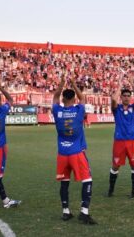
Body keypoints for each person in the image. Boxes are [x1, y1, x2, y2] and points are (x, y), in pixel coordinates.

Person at [52, 74, 96, 224]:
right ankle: (84, 211)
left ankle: (65, 211)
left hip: (62, 154)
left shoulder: (57, 111)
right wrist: (73, 83)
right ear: (74, 100)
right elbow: (82, 98)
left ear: (63, 99)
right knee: (87, 180)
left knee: (64, 182)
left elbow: (55, 97)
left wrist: (62, 84)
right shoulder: (78, 111)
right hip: (76, 152)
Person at [107, 75, 134, 198]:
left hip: (132, 141)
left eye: (128, 96)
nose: (126, 98)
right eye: (124, 96)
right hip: (119, 141)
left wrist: (133, 84)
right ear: (121, 97)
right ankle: (111, 190)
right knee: (115, 166)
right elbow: (113, 99)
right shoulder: (117, 109)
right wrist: (120, 86)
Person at [0, 79, 21, 208]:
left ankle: (6, 200)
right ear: (0, 102)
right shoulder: (2, 110)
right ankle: (5, 201)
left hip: (0, 147)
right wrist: (1, 88)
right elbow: (10, 100)